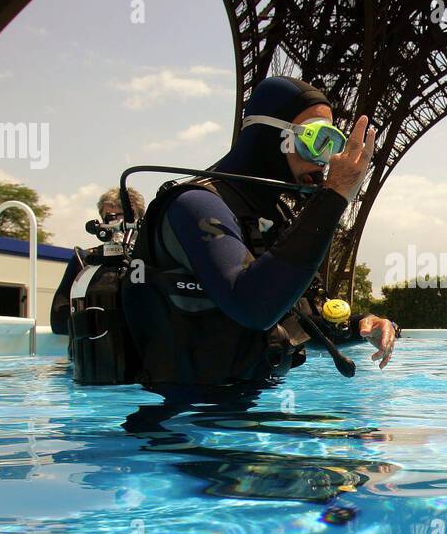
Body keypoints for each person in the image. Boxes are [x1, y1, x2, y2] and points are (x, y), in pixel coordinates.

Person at [119, 76, 397, 400]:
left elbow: (300, 316)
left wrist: (364, 324)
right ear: (273, 136)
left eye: (334, 145)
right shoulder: (195, 205)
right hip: (177, 426)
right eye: (317, 139)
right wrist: (334, 196)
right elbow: (253, 307)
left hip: (240, 414)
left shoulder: (271, 217)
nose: (326, 159)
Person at [49, 187, 146, 335]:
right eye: (109, 218)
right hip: (95, 350)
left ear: (139, 221)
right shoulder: (85, 260)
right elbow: (58, 322)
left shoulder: (150, 260)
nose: (116, 223)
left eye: (125, 217)